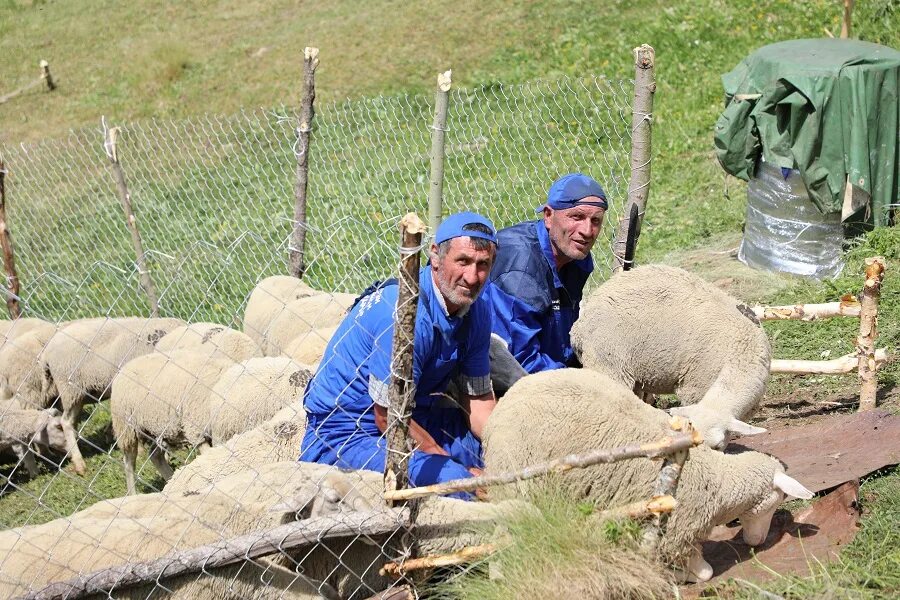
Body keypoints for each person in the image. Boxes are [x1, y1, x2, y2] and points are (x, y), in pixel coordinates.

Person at [299, 212, 498, 499]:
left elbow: (479, 403)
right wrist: (459, 471)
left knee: (501, 457)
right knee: (455, 484)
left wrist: (504, 445)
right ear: (436, 255)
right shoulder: (407, 315)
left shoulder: (476, 310)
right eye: (463, 261)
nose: (472, 277)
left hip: (419, 416)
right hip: (350, 432)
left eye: (483, 265)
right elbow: (387, 418)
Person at [486, 172, 607, 374]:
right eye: (576, 217)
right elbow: (518, 361)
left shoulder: (574, 255)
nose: (587, 231)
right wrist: (580, 382)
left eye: (595, 221)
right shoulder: (521, 269)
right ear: (549, 216)